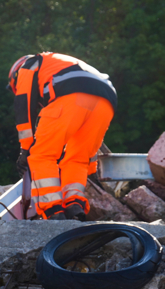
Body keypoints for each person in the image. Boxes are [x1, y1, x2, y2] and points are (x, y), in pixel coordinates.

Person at [8, 53, 117, 219]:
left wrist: (26, 148)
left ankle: (53, 211)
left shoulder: (28, 65)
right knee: (78, 159)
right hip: (107, 98)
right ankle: (74, 204)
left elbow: (24, 104)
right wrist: (91, 169)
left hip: (70, 93)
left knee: (41, 155)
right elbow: (88, 149)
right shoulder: (61, 63)